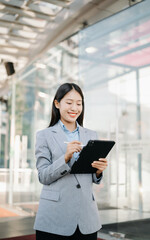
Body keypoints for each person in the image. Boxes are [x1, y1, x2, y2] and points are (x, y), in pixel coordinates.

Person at [34, 83, 108, 240]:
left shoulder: (91, 135)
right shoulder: (44, 135)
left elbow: (91, 177)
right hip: (54, 217)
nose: (74, 107)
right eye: (69, 102)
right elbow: (43, 176)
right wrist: (65, 158)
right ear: (57, 103)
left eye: (79, 103)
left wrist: (98, 171)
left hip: (87, 218)